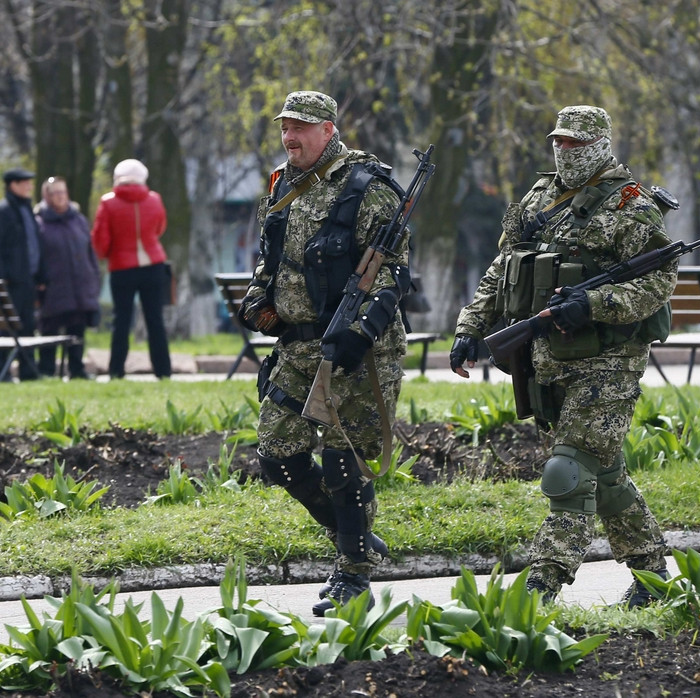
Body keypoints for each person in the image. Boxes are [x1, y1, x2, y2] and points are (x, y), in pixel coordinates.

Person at [451, 105, 674, 606]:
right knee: (605, 472)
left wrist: (594, 303)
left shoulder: (631, 205)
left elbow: (658, 281)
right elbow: (502, 268)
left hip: (609, 362)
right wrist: (470, 327)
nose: (564, 150)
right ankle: (655, 577)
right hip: (546, 360)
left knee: (568, 471)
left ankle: (541, 586)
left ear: (599, 144)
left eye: (575, 143)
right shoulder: (538, 197)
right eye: (559, 141)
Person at [241, 90, 407, 616]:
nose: (291, 137)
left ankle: (353, 575)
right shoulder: (282, 182)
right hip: (299, 343)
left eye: (302, 127)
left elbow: (393, 271)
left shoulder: (366, 187)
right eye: (286, 127)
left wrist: (360, 333)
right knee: (276, 453)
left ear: (329, 130)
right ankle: (352, 535)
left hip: (359, 348)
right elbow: (273, 254)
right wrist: (258, 298)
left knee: (343, 463)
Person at [91, 159, 172, 379]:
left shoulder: (108, 203)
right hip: (153, 265)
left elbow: (101, 238)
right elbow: (159, 228)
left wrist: (105, 255)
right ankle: (163, 371)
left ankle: (116, 371)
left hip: (121, 267)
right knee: (155, 319)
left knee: (122, 320)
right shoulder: (154, 199)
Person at [0, 167, 46, 381]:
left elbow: (35, 245)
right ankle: (2, 371)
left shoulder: (26, 210)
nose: (29, 186)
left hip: (27, 281)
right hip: (10, 283)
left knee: (28, 327)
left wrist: (40, 276)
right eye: (24, 182)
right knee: (5, 329)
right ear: (13, 185)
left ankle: (28, 371)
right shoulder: (1, 213)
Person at [35, 177, 100, 379]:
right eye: (55, 193)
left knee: (77, 330)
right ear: (47, 196)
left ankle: (76, 369)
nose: (60, 196)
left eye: (63, 192)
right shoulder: (39, 222)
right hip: (54, 286)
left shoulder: (78, 219)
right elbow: (35, 255)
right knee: (50, 329)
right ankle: (46, 369)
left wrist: (93, 276)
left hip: (80, 284)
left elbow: (89, 250)